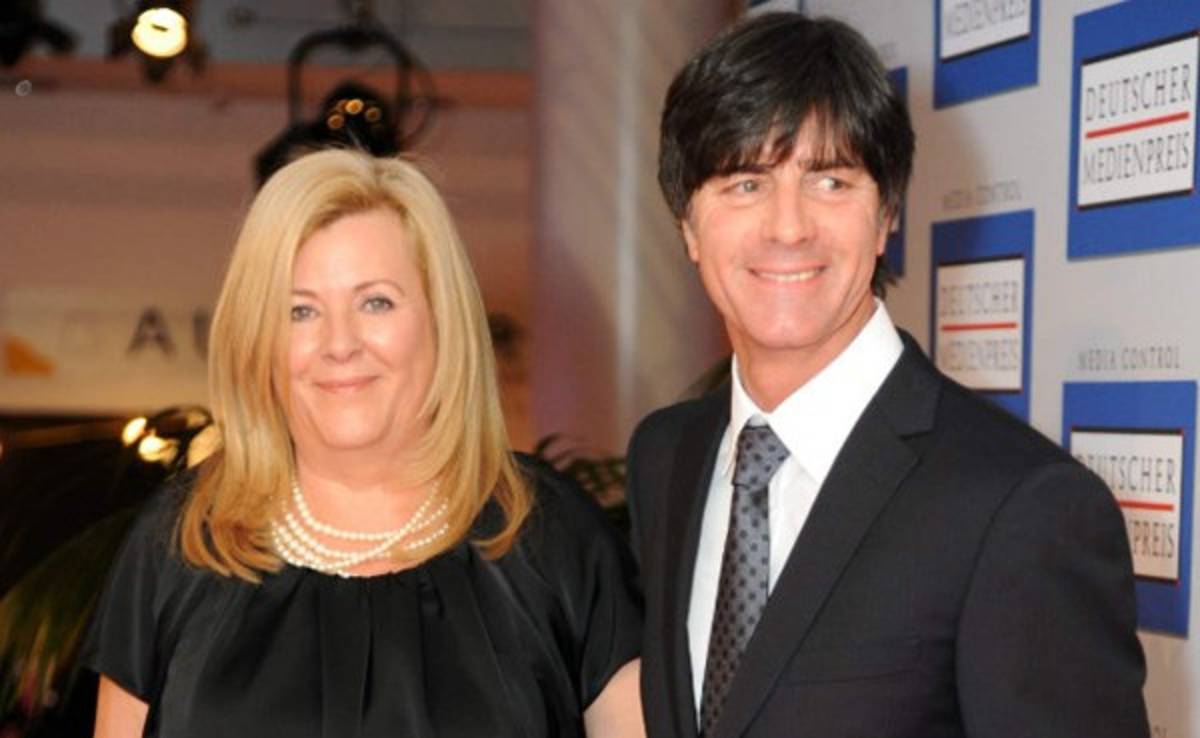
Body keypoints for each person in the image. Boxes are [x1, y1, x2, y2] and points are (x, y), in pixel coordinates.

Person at [626, 12, 1149, 738]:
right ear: (687, 223)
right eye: (745, 183)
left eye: (830, 181)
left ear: (887, 215)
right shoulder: (666, 457)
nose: (787, 226)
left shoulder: (1020, 506)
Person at [84, 149, 644, 738]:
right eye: (300, 311)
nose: (340, 344)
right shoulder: (188, 537)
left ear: (440, 319)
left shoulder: (551, 534)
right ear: (258, 338)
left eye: (375, 302)